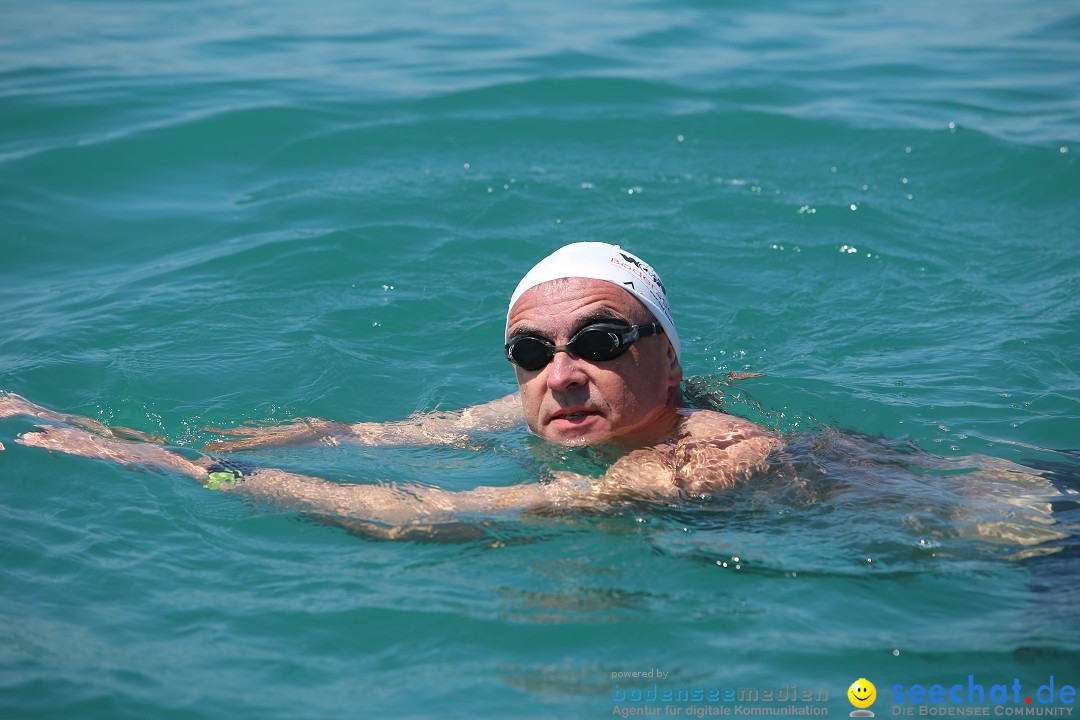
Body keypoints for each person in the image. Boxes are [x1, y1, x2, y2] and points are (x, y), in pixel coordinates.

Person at [1, 243, 779, 538]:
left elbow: (428, 514)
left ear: (669, 365)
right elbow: (363, 434)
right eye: (531, 351)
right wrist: (97, 427)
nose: (563, 374)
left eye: (602, 343)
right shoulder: (571, 406)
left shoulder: (702, 461)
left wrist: (181, 470)